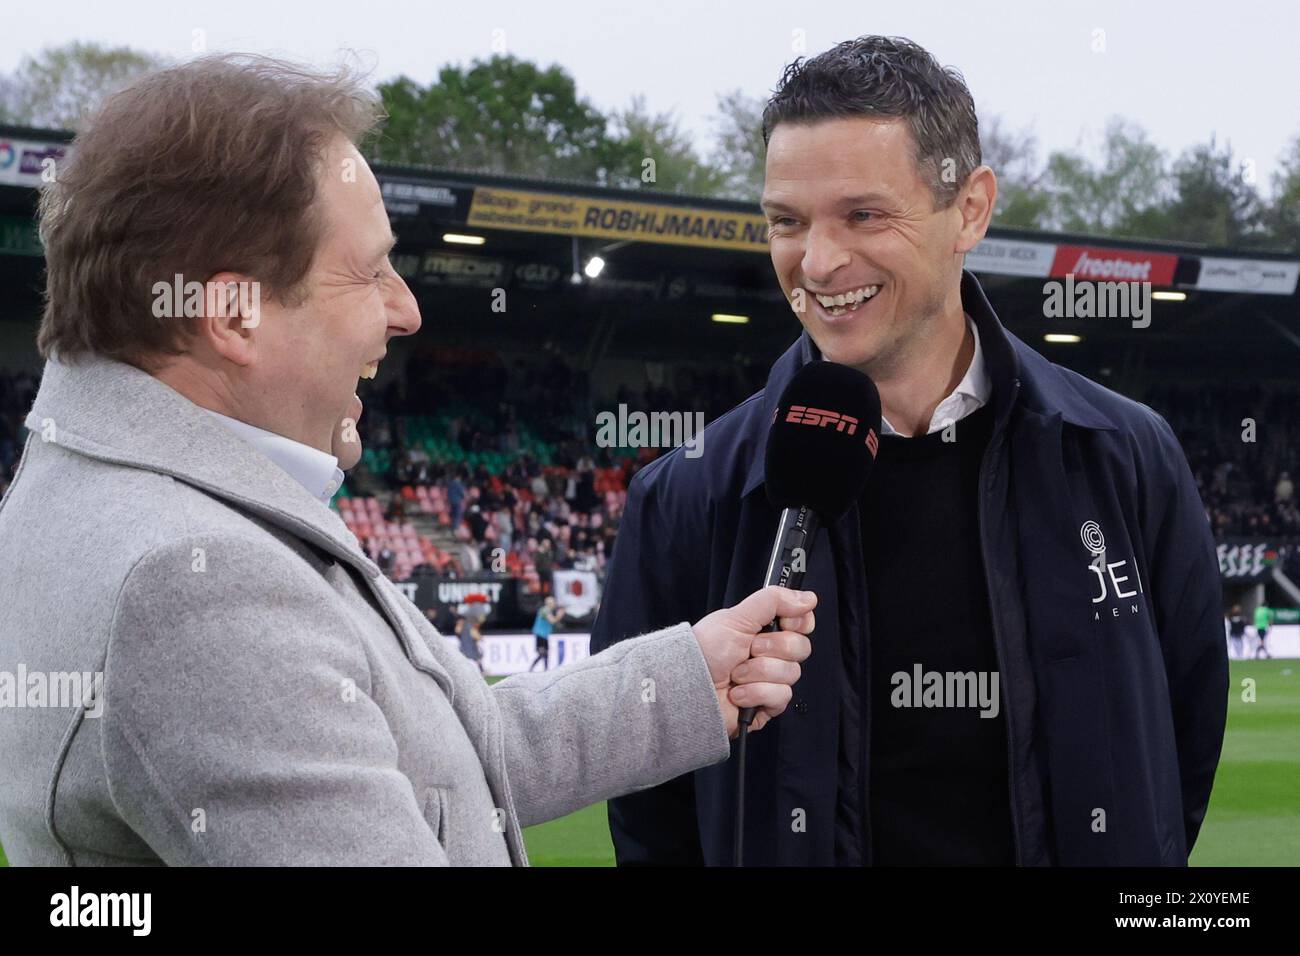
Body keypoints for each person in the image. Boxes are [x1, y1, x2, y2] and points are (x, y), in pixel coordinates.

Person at [0, 55, 815, 866]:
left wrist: (682, 681)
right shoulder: (193, 585)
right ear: (232, 315)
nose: (408, 309)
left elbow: (450, 753)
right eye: (370, 271)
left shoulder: (111, 493)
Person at [591, 35, 1227, 866]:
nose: (816, 263)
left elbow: (1184, 741)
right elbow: (647, 806)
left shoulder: (1124, 456)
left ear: (969, 208)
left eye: (863, 215)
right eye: (787, 221)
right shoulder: (687, 496)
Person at [529, 596, 565, 672]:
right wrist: (559, 615)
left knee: (545, 654)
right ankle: (531, 669)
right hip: (540, 634)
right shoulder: (544, 610)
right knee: (543, 653)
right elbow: (552, 621)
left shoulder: (547, 611)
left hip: (544, 635)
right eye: (553, 603)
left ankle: (545, 670)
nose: (555, 604)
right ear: (549, 604)